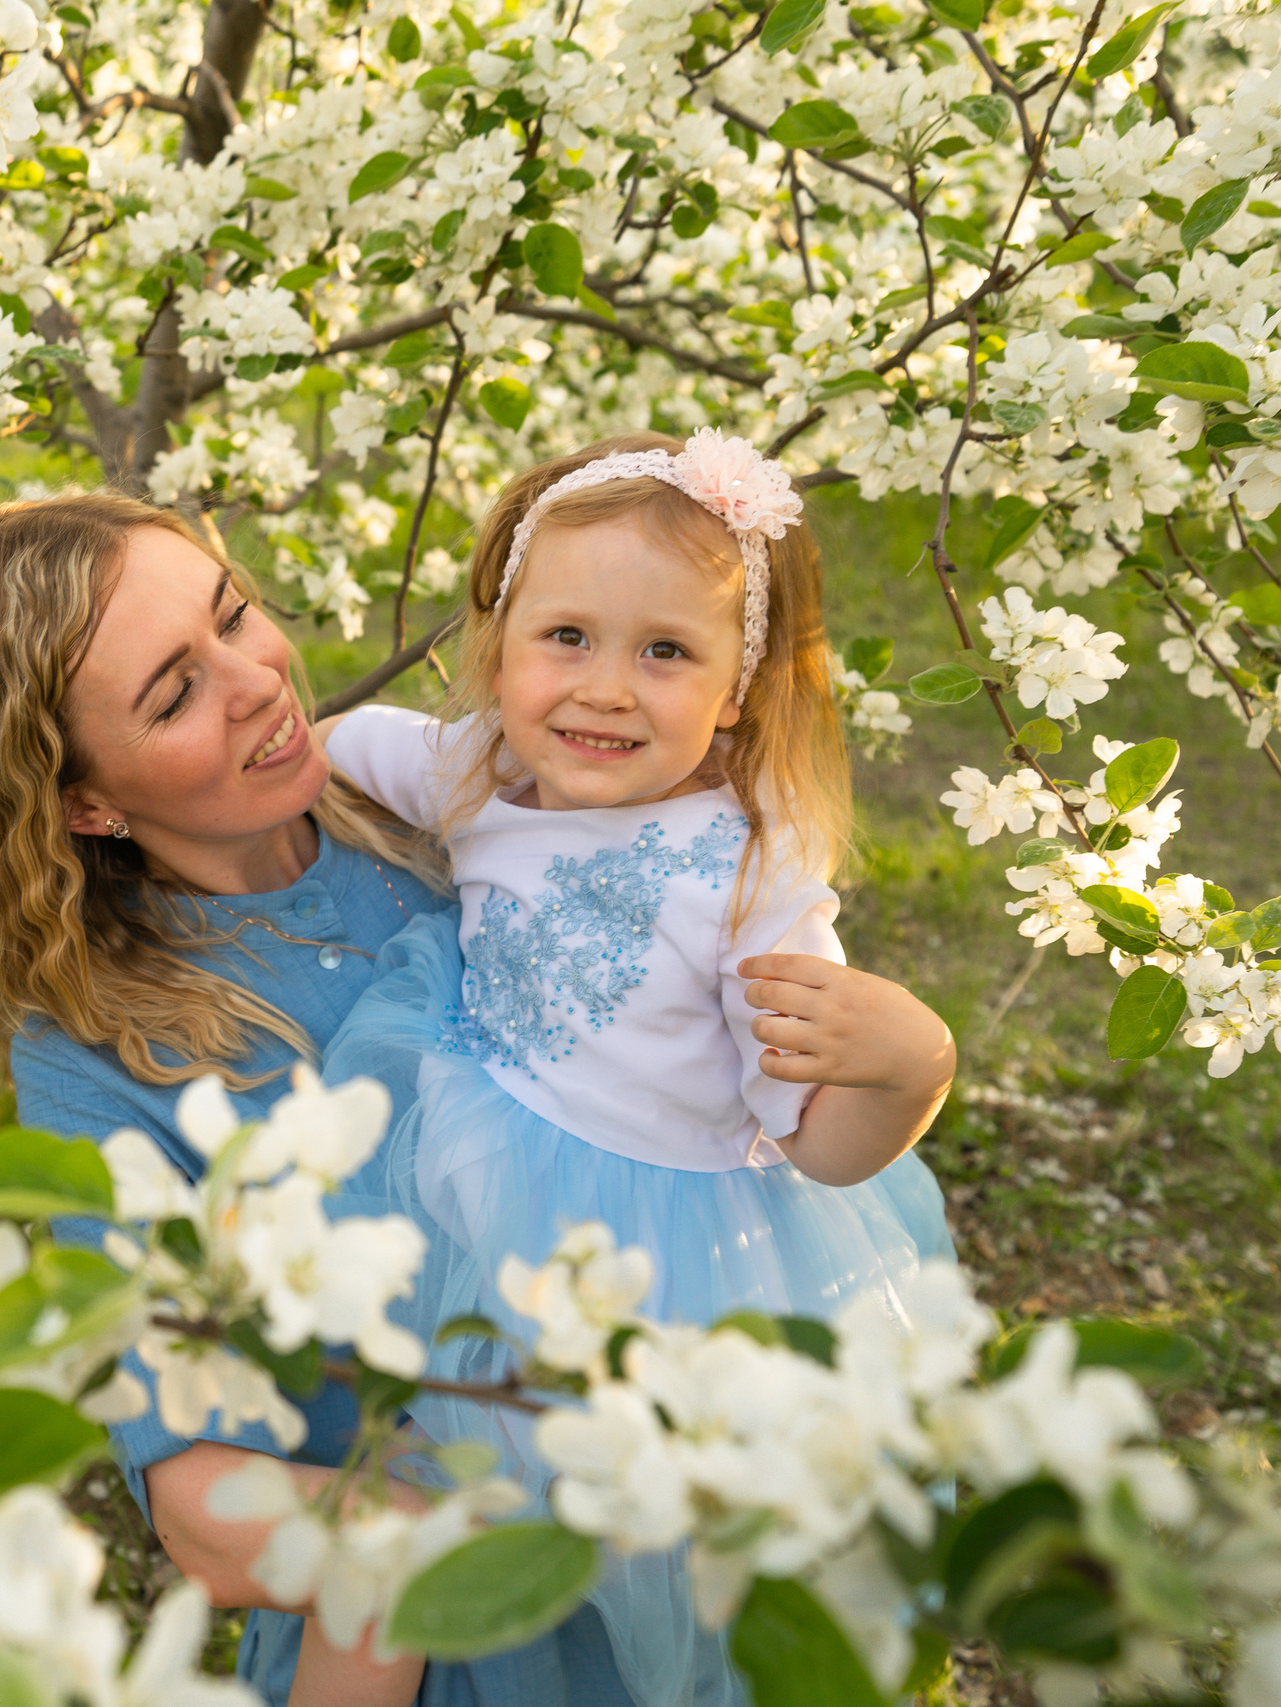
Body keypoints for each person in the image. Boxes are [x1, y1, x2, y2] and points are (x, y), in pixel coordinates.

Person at [0, 492, 639, 1705]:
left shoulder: (431, 806)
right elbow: (199, 1510)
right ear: (86, 803)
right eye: (172, 694)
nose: (252, 680)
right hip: (444, 1610)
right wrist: (455, 1544)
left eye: (232, 616)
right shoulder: (95, 1056)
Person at [315, 430, 959, 1707]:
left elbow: (818, 1145)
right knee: (480, 1479)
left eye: (664, 651)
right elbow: (335, 743)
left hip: (679, 1258)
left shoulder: (750, 877)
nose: (604, 689)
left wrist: (911, 1068)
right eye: (565, 637)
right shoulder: (474, 770)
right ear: (496, 649)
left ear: (734, 690)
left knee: (686, 1554)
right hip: (479, 1188)